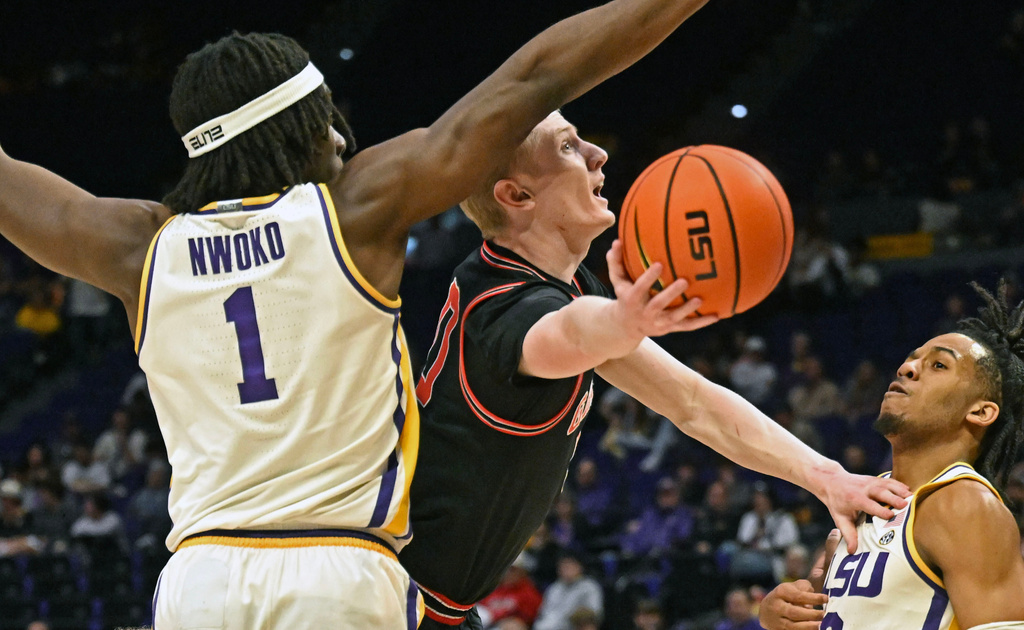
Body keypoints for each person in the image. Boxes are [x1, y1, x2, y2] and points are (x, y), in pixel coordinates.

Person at [0, 1, 722, 626]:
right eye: (328, 122)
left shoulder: (138, 246)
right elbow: (539, 77)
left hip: (201, 579)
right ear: (303, 127)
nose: (343, 140)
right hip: (336, 573)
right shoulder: (354, 209)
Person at [400, 108, 910, 627]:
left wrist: (829, 479)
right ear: (517, 196)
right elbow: (566, 335)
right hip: (391, 601)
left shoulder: (548, 285)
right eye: (568, 147)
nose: (599, 154)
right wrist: (624, 320)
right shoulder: (506, 311)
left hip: (432, 602)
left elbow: (691, 402)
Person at [759, 280, 1024, 630]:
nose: (907, 369)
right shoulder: (857, 511)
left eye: (939, 366)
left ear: (980, 412)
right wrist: (780, 615)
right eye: (911, 359)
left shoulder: (964, 506)